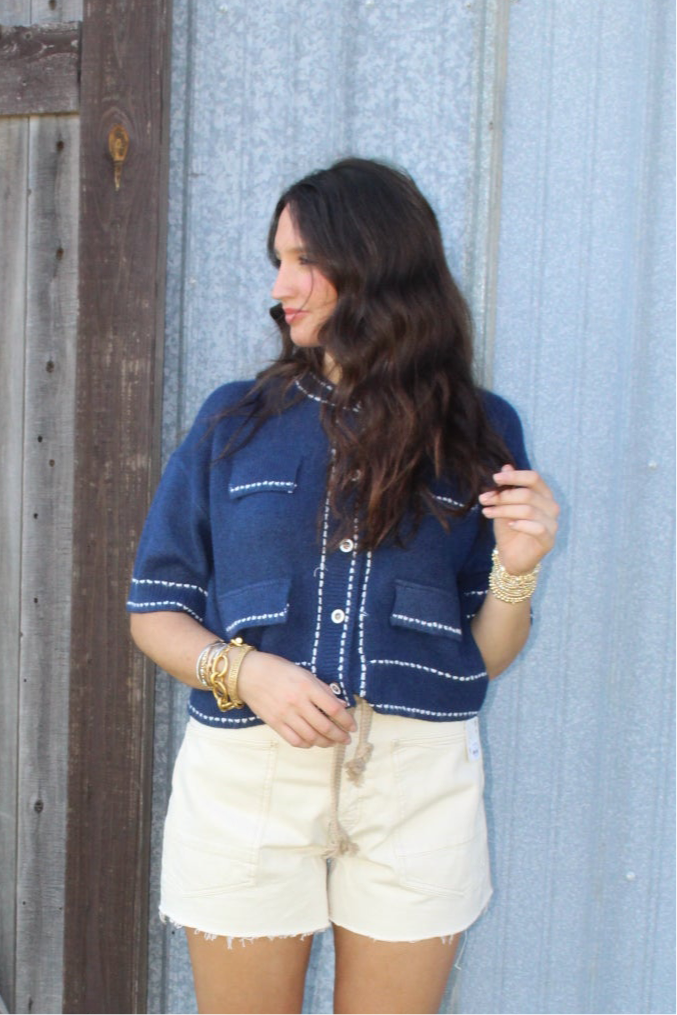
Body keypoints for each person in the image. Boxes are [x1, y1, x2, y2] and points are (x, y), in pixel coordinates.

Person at [128, 157, 559, 1015]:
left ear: (375, 262)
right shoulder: (231, 421)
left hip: (414, 777)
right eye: (275, 260)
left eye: (302, 260)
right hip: (250, 770)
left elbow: (484, 655)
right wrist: (248, 673)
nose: (281, 286)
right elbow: (155, 610)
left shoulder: (480, 427)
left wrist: (517, 568)